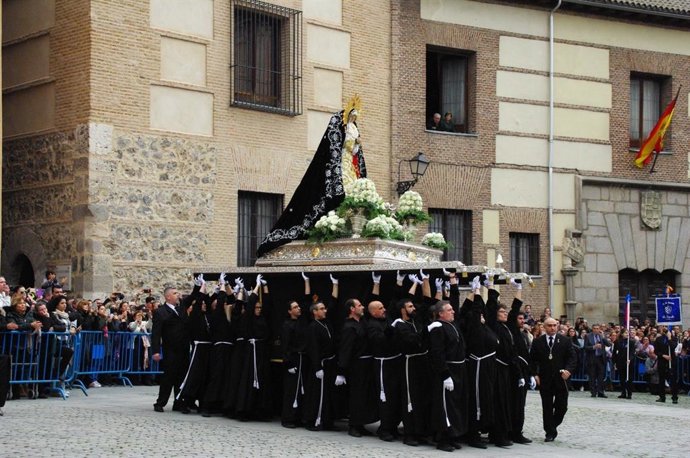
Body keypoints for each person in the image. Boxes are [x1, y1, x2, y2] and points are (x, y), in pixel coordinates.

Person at [256, 95, 367, 258]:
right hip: (341, 164)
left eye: (356, 116)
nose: (354, 117)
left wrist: (356, 146)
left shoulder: (354, 128)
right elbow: (336, 146)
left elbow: (357, 151)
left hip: (350, 164)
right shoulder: (340, 125)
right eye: (352, 114)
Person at [530, 317, 577, 442]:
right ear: (544, 327)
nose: (552, 328)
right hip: (545, 379)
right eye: (549, 325)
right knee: (547, 406)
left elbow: (572, 358)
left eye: (554, 325)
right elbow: (533, 360)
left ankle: (553, 424)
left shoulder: (565, 341)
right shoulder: (538, 342)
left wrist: (568, 370)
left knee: (562, 406)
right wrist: (535, 374)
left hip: (561, 379)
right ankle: (549, 432)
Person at [337, 296, 377, 438]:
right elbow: (345, 349)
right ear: (352, 309)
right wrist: (341, 371)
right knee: (357, 396)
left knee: (365, 396)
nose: (362, 307)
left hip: (367, 364)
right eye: (359, 305)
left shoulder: (363, 322)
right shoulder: (349, 327)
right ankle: (353, 425)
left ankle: (361, 423)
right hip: (357, 366)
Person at [151, 283, 192, 413]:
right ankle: (160, 402)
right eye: (175, 293)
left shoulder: (181, 309)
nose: (178, 295)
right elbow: (156, 333)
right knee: (169, 377)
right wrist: (156, 351)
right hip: (170, 350)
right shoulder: (160, 312)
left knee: (182, 377)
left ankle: (179, 402)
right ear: (168, 297)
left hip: (184, 349)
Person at [654, 325, 679, 404]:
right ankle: (662, 397)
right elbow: (656, 351)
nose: (665, 328)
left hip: (671, 361)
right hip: (662, 361)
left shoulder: (674, 338)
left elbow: (673, 346)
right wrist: (663, 355)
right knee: (661, 379)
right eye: (663, 326)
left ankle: (674, 397)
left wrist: (669, 338)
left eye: (666, 327)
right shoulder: (658, 339)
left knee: (673, 380)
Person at [584, 324, 610, 398]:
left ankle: (600, 392)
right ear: (592, 329)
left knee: (601, 376)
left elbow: (608, 344)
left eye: (597, 328)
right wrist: (593, 347)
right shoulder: (588, 336)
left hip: (600, 358)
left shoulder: (601, 336)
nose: (596, 330)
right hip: (592, 358)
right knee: (592, 376)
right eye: (595, 328)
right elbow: (585, 347)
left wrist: (604, 337)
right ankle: (593, 392)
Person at [612, 328, 634, 399]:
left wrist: (630, 359)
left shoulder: (631, 342)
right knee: (622, 378)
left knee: (629, 378)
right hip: (620, 362)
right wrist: (614, 362)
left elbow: (632, 352)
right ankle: (623, 392)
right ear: (622, 334)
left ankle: (629, 393)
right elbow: (614, 353)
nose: (627, 334)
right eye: (625, 333)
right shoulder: (617, 342)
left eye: (628, 333)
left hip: (628, 363)